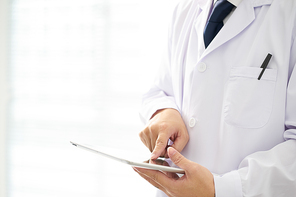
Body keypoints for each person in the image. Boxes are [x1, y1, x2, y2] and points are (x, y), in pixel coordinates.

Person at [132, 0, 296, 196]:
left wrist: (221, 189)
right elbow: (159, 90)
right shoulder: (186, 9)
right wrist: (164, 112)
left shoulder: (289, 13)